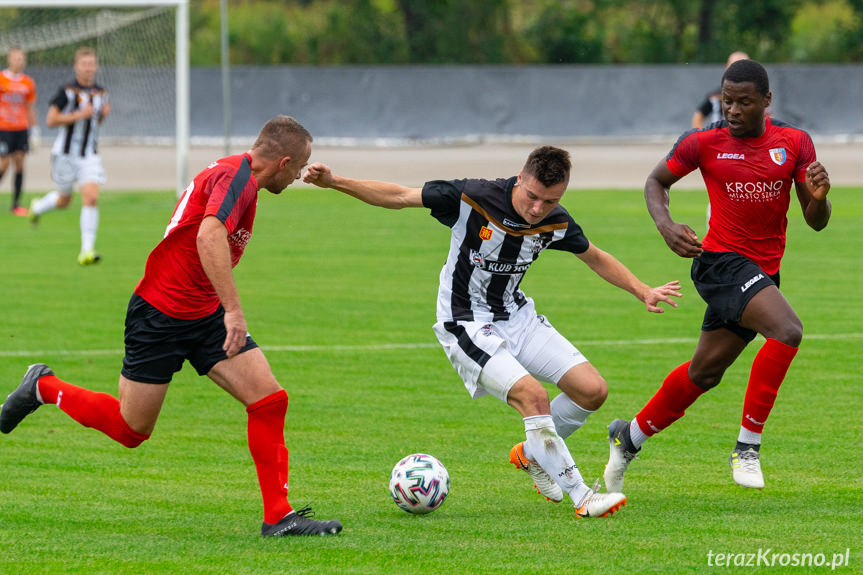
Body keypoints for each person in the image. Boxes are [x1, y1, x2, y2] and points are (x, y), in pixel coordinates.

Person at [1, 115, 343, 537]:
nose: (296, 177)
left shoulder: (239, 177)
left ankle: (279, 516)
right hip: (160, 314)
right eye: (298, 167)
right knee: (131, 429)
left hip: (202, 314)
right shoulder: (235, 177)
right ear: (283, 161)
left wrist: (221, 309)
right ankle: (44, 387)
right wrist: (234, 310)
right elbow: (208, 235)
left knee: (269, 400)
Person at [304, 146, 682, 518]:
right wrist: (334, 181)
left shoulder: (556, 221)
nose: (537, 208)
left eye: (549, 201)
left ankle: (533, 454)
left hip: (517, 316)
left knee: (592, 390)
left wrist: (642, 290)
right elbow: (399, 196)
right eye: (532, 196)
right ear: (520, 178)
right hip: (465, 322)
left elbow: (594, 256)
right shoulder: (472, 197)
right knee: (533, 397)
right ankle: (582, 496)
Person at [604, 59, 831, 493]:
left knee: (705, 373)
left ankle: (627, 437)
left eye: (744, 102)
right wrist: (665, 225)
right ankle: (747, 448)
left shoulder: (795, 142)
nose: (733, 110)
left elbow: (815, 220)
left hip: (762, 274)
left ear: (766, 101)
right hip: (719, 263)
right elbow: (655, 182)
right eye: (727, 101)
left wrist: (819, 198)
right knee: (787, 330)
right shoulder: (704, 142)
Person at [29, 47, 110, 266]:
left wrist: (101, 115)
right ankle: (37, 208)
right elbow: (51, 120)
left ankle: (87, 250)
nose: (88, 68)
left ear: (96, 66)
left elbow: (95, 123)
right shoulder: (66, 91)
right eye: (84, 64)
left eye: (91, 63)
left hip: (89, 155)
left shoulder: (101, 93)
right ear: (76, 67)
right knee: (64, 200)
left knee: (91, 197)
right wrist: (78, 115)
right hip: (64, 154)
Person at [0, 47, 37, 216]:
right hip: (3, 127)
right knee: (4, 163)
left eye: (21, 59)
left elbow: (30, 107)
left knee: (20, 163)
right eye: (16, 58)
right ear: (9, 60)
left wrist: (34, 130)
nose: (19, 61)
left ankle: (16, 205)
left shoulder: (28, 82)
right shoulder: (1, 79)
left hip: (21, 128)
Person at [691, 51, 749, 130]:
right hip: (719, 138)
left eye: (743, 68)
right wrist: (699, 136)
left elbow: (768, 118)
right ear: (726, 68)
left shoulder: (757, 96)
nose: (738, 71)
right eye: (733, 67)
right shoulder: (716, 96)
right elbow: (698, 116)